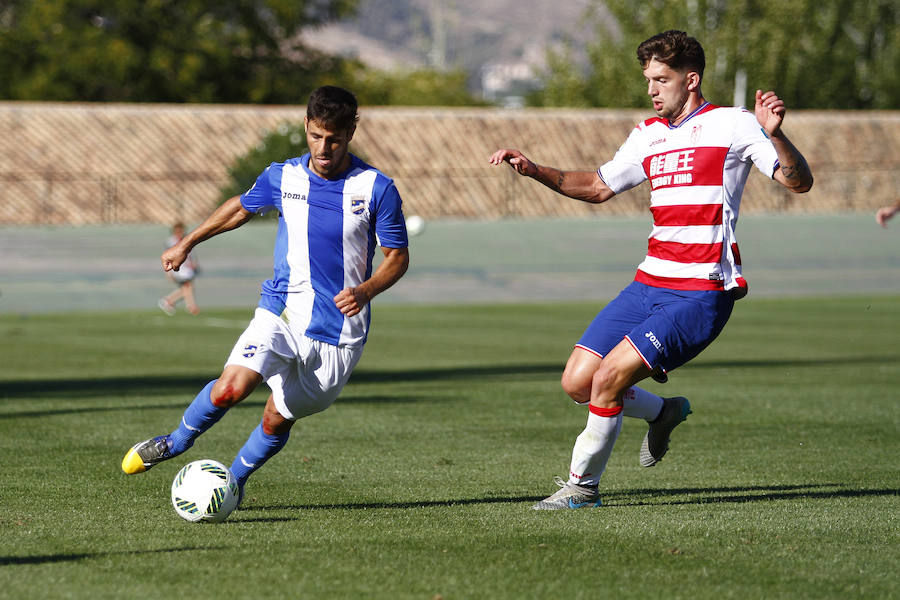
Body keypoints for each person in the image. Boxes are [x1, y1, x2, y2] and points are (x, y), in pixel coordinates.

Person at [489, 30, 813, 510]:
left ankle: (581, 488)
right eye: (649, 80)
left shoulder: (735, 124)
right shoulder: (648, 134)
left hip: (699, 293)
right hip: (648, 284)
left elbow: (798, 182)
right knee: (578, 381)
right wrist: (535, 170)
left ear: (691, 79)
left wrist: (776, 134)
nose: (652, 89)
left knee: (608, 380)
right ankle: (664, 411)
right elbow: (599, 186)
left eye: (661, 79)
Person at [122, 86, 411, 505]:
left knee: (275, 419)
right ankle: (177, 442)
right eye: (315, 136)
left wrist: (365, 290)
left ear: (351, 130)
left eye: (334, 138)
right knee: (229, 389)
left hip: (338, 333)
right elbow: (241, 207)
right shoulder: (283, 175)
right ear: (306, 128)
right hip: (280, 310)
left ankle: (233, 483)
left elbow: (398, 258)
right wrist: (189, 243)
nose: (323, 148)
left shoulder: (376, 188)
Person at [158, 222, 201, 316]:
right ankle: (189, 305)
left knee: (187, 287)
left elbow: (191, 254)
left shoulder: (186, 239)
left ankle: (170, 301)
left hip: (187, 268)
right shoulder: (171, 241)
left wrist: (194, 263)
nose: (180, 232)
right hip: (178, 268)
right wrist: (168, 273)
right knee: (187, 286)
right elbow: (167, 256)